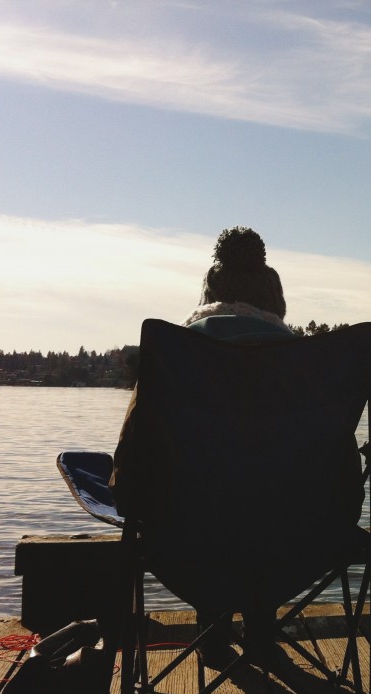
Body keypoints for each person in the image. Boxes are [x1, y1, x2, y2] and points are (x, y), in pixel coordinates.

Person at [110, 226, 305, 669]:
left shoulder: (176, 356)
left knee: (207, 495)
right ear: (276, 299)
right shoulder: (306, 364)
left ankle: (213, 636)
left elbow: (129, 465)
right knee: (262, 498)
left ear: (206, 295)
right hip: (296, 538)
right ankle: (260, 634)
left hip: (188, 539)